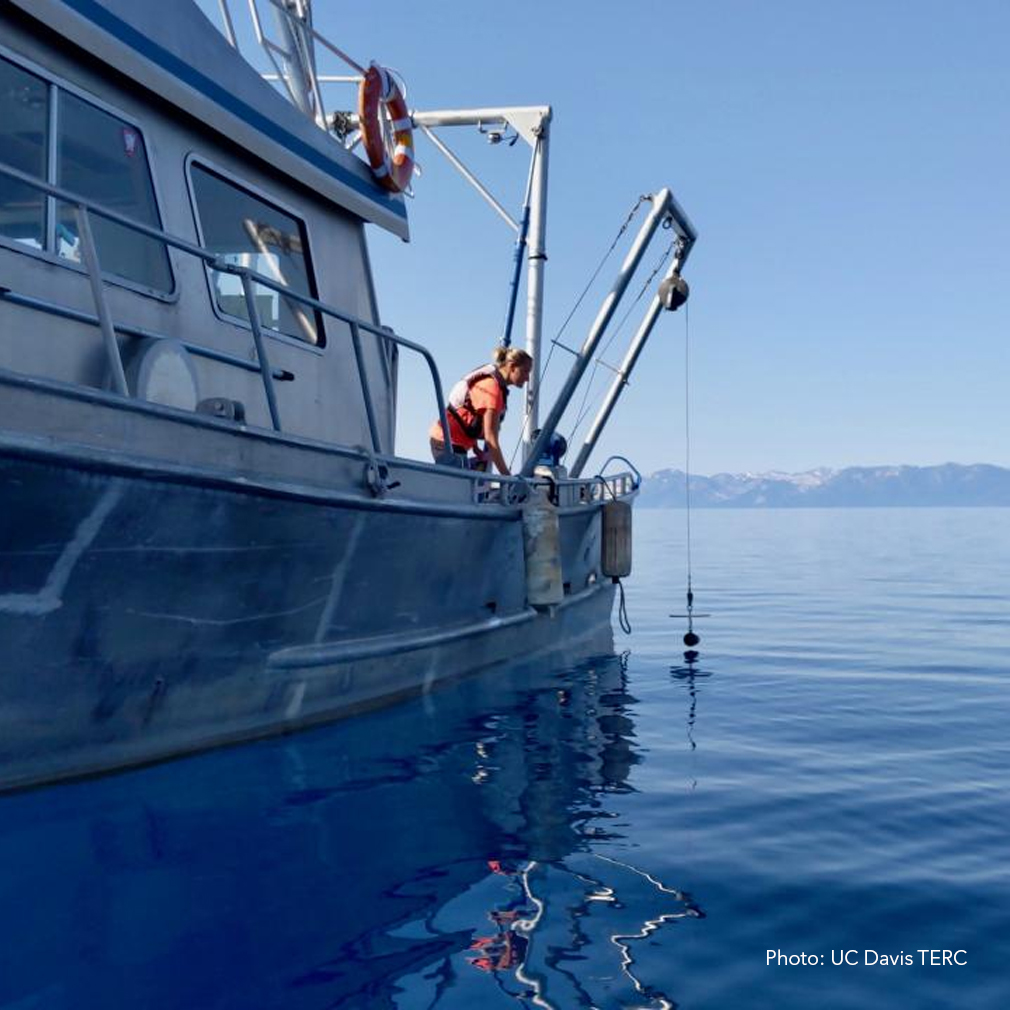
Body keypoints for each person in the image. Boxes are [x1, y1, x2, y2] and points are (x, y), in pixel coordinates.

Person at [429, 347, 533, 475]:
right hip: (447, 443)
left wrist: (476, 448)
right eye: (525, 371)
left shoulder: (496, 386)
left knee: (466, 485)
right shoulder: (492, 389)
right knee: (459, 489)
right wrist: (507, 477)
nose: (527, 378)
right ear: (512, 367)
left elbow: (471, 415)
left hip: (452, 442)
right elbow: (491, 438)